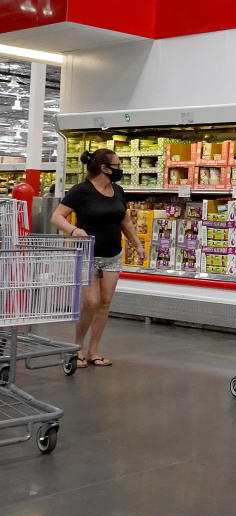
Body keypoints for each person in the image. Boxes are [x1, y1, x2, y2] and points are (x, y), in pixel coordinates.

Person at [51, 149, 145, 368]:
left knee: (104, 303)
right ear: (104, 168)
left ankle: (94, 350)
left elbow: (126, 222)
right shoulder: (81, 191)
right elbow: (56, 217)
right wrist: (73, 230)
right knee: (91, 302)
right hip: (88, 255)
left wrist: (137, 244)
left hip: (113, 254)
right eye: (118, 165)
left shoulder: (119, 191)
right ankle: (77, 347)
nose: (120, 169)